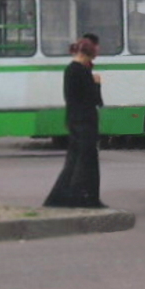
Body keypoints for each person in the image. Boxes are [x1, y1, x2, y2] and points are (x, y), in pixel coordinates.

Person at [44, 36, 106, 208]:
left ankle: (60, 197)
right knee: (87, 162)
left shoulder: (69, 70)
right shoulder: (82, 71)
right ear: (88, 54)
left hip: (74, 119)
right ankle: (86, 198)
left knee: (73, 161)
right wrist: (97, 84)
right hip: (86, 121)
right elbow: (95, 100)